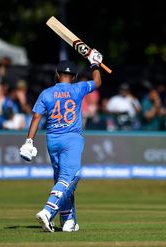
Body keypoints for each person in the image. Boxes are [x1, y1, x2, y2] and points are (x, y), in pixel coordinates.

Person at [19, 48, 103, 233]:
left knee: (61, 179)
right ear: (73, 77)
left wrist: (29, 141)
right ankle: (48, 212)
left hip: (53, 140)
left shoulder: (46, 93)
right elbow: (97, 81)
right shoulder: (78, 88)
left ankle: (68, 221)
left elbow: (36, 118)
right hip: (71, 139)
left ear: (57, 75)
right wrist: (95, 63)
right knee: (69, 177)